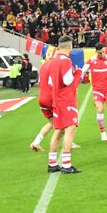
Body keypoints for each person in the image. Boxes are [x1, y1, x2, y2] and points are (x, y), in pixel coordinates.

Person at [46, 38, 81, 174]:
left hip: (57, 100)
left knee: (59, 131)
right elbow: (67, 80)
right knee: (70, 129)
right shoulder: (66, 61)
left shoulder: (53, 61)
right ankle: (66, 164)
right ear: (69, 47)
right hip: (66, 100)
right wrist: (77, 74)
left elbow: (50, 81)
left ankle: (52, 163)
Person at [86, 45, 107, 141]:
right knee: (100, 109)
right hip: (97, 90)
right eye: (100, 53)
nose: (102, 54)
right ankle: (103, 132)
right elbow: (82, 72)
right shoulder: (91, 60)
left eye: (103, 52)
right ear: (96, 52)